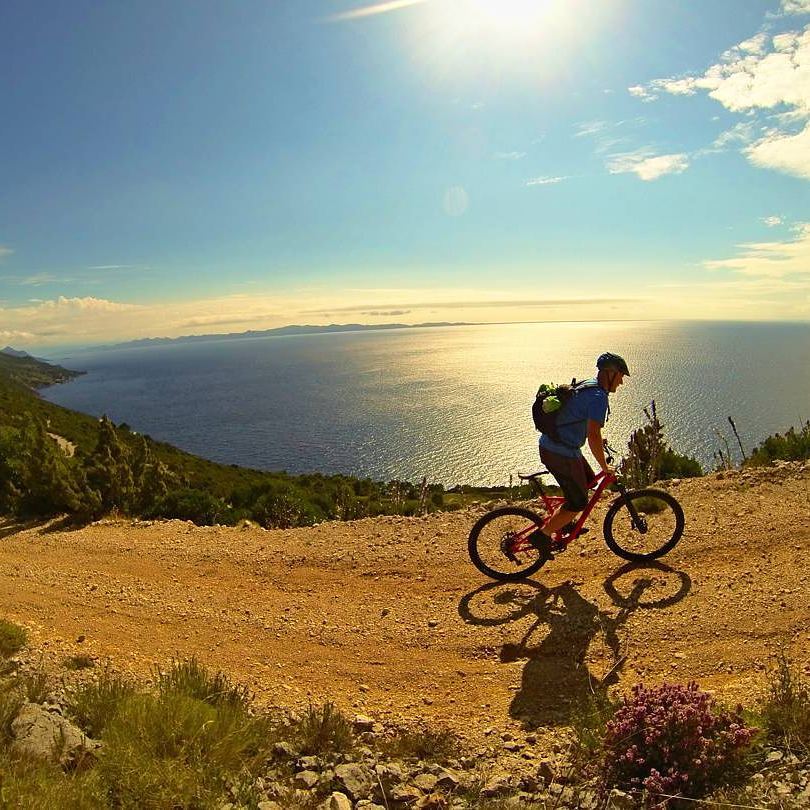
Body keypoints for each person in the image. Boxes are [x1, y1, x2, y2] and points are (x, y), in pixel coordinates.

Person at [531, 352, 630, 556]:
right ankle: (542, 536)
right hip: (560, 452)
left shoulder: (590, 385)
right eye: (620, 377)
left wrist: (597, 440)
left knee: (589, 481)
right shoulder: (598, 397)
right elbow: (593, 434)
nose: (620, 383)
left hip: (558, 446)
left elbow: (577, 417)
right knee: (578, 502)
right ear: (610, 373)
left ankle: (564, 521)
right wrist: (604, 465)